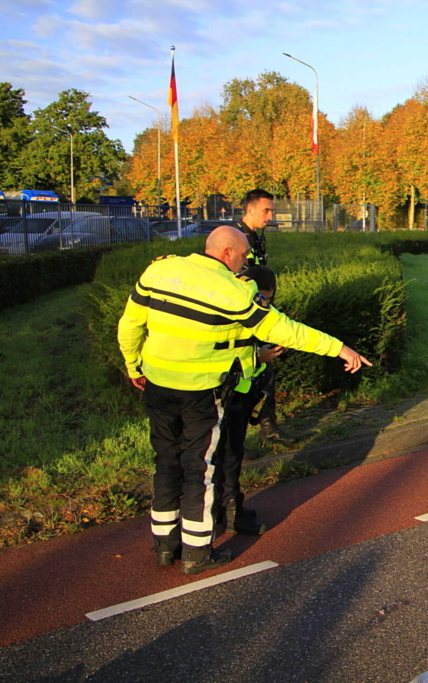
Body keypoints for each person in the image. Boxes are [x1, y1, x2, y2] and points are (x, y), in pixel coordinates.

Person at [118, 226, 370, 574]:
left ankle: (164, 545)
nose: (245, 262)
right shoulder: (234, 293)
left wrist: (133, 365)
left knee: (166, 462)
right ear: (226, 253)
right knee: (199, 469)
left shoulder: (159, 271)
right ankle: (196, 552)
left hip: (158, 385)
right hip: (202, 392)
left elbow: (130, 325)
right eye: (243, 255)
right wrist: (338, 347)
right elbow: (286, 330)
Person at [213, 265, 282, 536]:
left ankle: (226, 508)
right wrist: (257, 356)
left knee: (230, 453)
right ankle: (230, 512)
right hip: (227, 391)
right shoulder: (234, 308)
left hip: (237, 389)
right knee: (227, 454)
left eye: (268, 300)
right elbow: (227, 351)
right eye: (262, 299)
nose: (264, 305)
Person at [234, 188, 297, 446]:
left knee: (266, 369)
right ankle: (236, 437)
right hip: (244, 319)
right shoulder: (237, 240)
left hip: (258, 315)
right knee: (246, 377)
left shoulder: (254, 237)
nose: (270, 215)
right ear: (249, 209)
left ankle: (268, 428)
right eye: (266, 210)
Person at [235, 189, 272, 267]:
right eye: (266, 211)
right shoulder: (236, 238)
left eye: (272, 211)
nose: (270, 217)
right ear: (250, 211)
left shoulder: (252, 235)